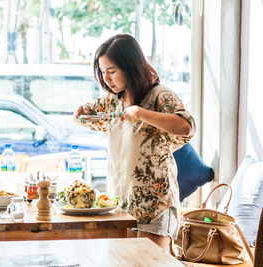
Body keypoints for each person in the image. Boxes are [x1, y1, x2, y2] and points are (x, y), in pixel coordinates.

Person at [75, 34, 195, 250]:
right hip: (121, 204)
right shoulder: (113, 100)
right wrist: (81, 113)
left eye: (111, 71)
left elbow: (186, 127)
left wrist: (141, 113)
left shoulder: (160, 96)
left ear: (130, 67)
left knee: (149, 264)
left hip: (155, 205)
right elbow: (89, 117)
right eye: (102, 72)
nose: (107, 79)